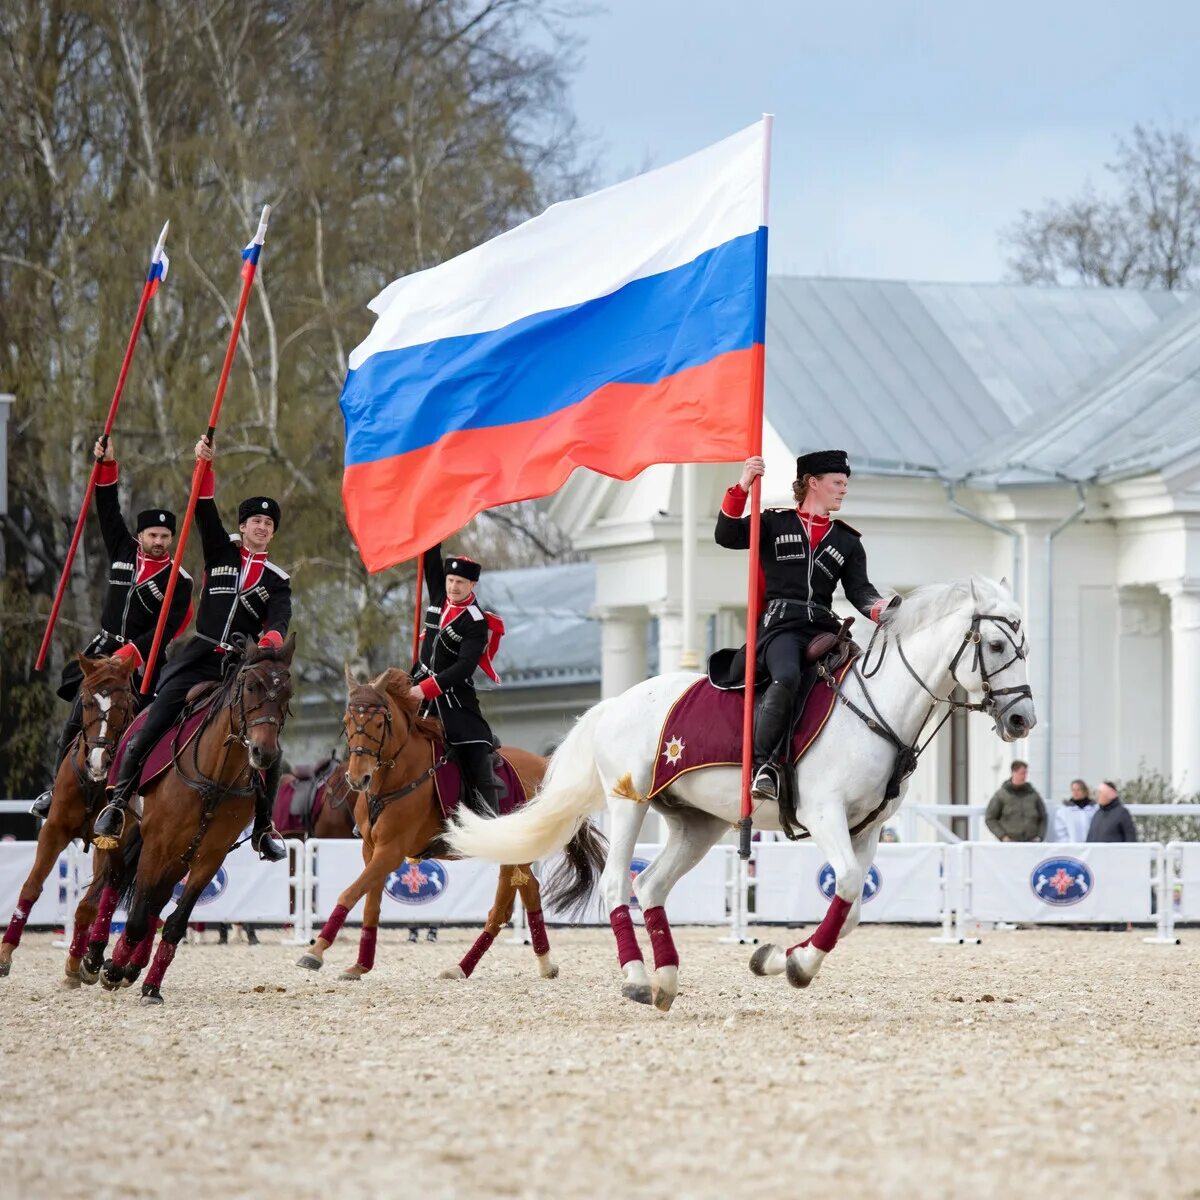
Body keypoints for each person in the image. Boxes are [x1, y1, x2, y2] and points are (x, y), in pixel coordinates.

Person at [92, 436, 291, 860]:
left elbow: (278, 619)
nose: (261, 528)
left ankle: (262, 826)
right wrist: (204, 464)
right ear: (243, 527)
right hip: (200, 657)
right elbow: (203, 505)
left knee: (270, 737)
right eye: (255, 521)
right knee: (156, 716)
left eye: (268, 524)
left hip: (241, 669)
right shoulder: (220, 552)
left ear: (273, 532)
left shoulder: (278, 578)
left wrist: (270, 642)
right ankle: (116, 800)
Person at [710, 450, 899, 803]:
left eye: (845, 484)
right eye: (837, 483)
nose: (844, 490)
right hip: (782, 629)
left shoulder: (847, 541)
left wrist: (882, 608)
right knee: (788, 677)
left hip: (824, 630)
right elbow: (726, 534)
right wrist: (743, 485)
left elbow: (860, 590)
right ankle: (764, 766)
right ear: (813, 483)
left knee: (862, 686)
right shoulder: (772, 523)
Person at [31, 437, 193, 818]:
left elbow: (167, 629)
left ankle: (129, 796)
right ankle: (55, 790)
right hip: (102, 648)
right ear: (141, 536)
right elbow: (106, 505)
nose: (158, 542)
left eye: (165, 537)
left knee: (143, 730)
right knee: (75, 718)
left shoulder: (179, 580)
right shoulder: (122, 549)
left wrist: (131, 655)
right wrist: (107, 464)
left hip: (144, 660)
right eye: (153, 535)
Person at [410, 543, 505, 817]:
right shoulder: (439, 594)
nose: (453, 586)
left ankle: (489, 818)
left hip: (454, 698)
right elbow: (429, 556)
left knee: (474, 749)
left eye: (460, 582)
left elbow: (465, 666)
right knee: (380, 727)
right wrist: (429, 523)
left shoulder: (475, 622)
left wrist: (426, 689)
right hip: (417, 681)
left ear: (472, 584)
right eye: (450, 580)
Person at [985, 760, 1047, 842]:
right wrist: (1003, 836)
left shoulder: (1033, 794)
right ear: (1013, 773)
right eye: (1022, 773)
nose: (1025, 776)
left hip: (1032, 843)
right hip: (1010, 843)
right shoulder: (1001, 795)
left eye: (1026, 773)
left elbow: (1043, 817)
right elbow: (990, 818)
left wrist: (1040, 836)